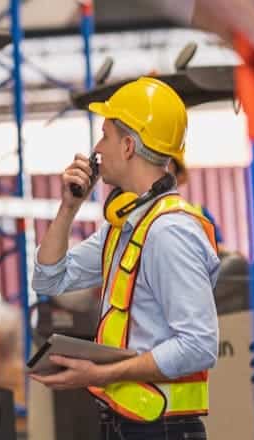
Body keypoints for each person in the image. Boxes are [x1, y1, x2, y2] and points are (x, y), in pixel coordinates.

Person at [30, 77, 220, 439]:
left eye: (104, 135)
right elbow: (48, 280)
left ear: (129, 146)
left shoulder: (168, 233)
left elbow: (199, 345)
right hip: (128, 423)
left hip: (162, 430)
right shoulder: (125, 227)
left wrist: (100, 374)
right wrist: (69, 207)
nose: (96, 148)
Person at [167, 155, 225, 249]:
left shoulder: (199, 212)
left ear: (179, 177)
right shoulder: (142, 214)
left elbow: (218, 247)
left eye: (168, 172)